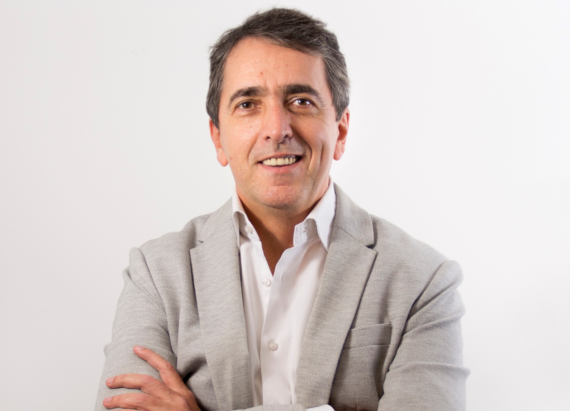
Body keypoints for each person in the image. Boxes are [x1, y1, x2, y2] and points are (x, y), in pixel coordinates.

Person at [95, 8, 468, 411]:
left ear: (341, 131)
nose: (277, 128)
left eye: (301, 101)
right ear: (218, 138)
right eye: (248, 104)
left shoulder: (423, 282)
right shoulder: (157, 274)